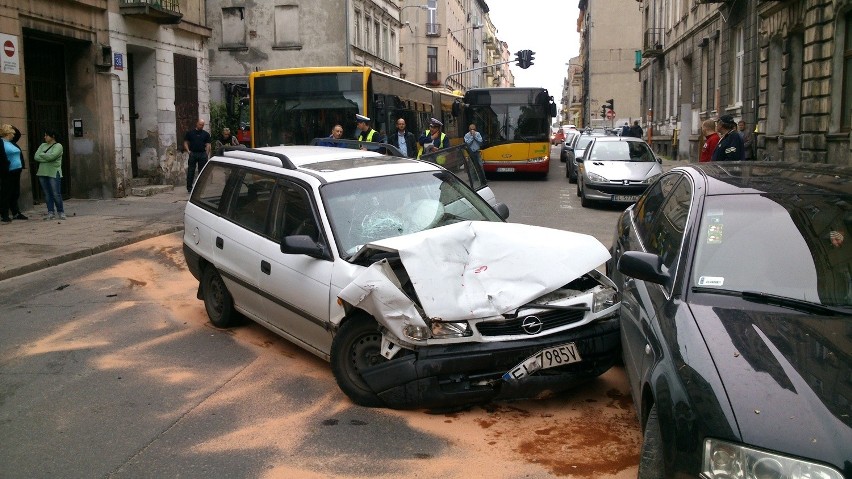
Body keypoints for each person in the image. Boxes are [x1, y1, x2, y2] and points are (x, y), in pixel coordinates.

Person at [34, 129, 66, 221]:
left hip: (53, 172)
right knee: (47, 194)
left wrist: (42, 155)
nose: (45, 137)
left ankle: (60, 211)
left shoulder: (58, 146)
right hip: (42, 172)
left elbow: (53, 156)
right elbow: (36, 157)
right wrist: (46, 157)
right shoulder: (42, 145)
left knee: (56, 193)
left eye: (46, 135)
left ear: (53, 136)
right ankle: (50, 212)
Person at [0, 124, 26, 223]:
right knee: (6, 193)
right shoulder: (1, 142)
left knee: (15, 192)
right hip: (7, 172)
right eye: (12, 133)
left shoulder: (12, 142)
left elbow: (18, 134)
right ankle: (4, 214)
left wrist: (11, 126)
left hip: (17, 170)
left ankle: (16, 212)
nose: (14, 135)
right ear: (7, 133)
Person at [183, 119, 211, 193]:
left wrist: (206, 154)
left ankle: (200, 187)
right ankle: (189, 188)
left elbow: (208, 144)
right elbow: (185, 142)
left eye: (202, 125)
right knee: (191, 171)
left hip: (202, 154)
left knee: (202, 172)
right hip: (193, 153)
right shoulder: (190, 133)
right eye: (200, 124)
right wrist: (188, 151)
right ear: (197, 123)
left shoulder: (206, 134)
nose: (201, 126)